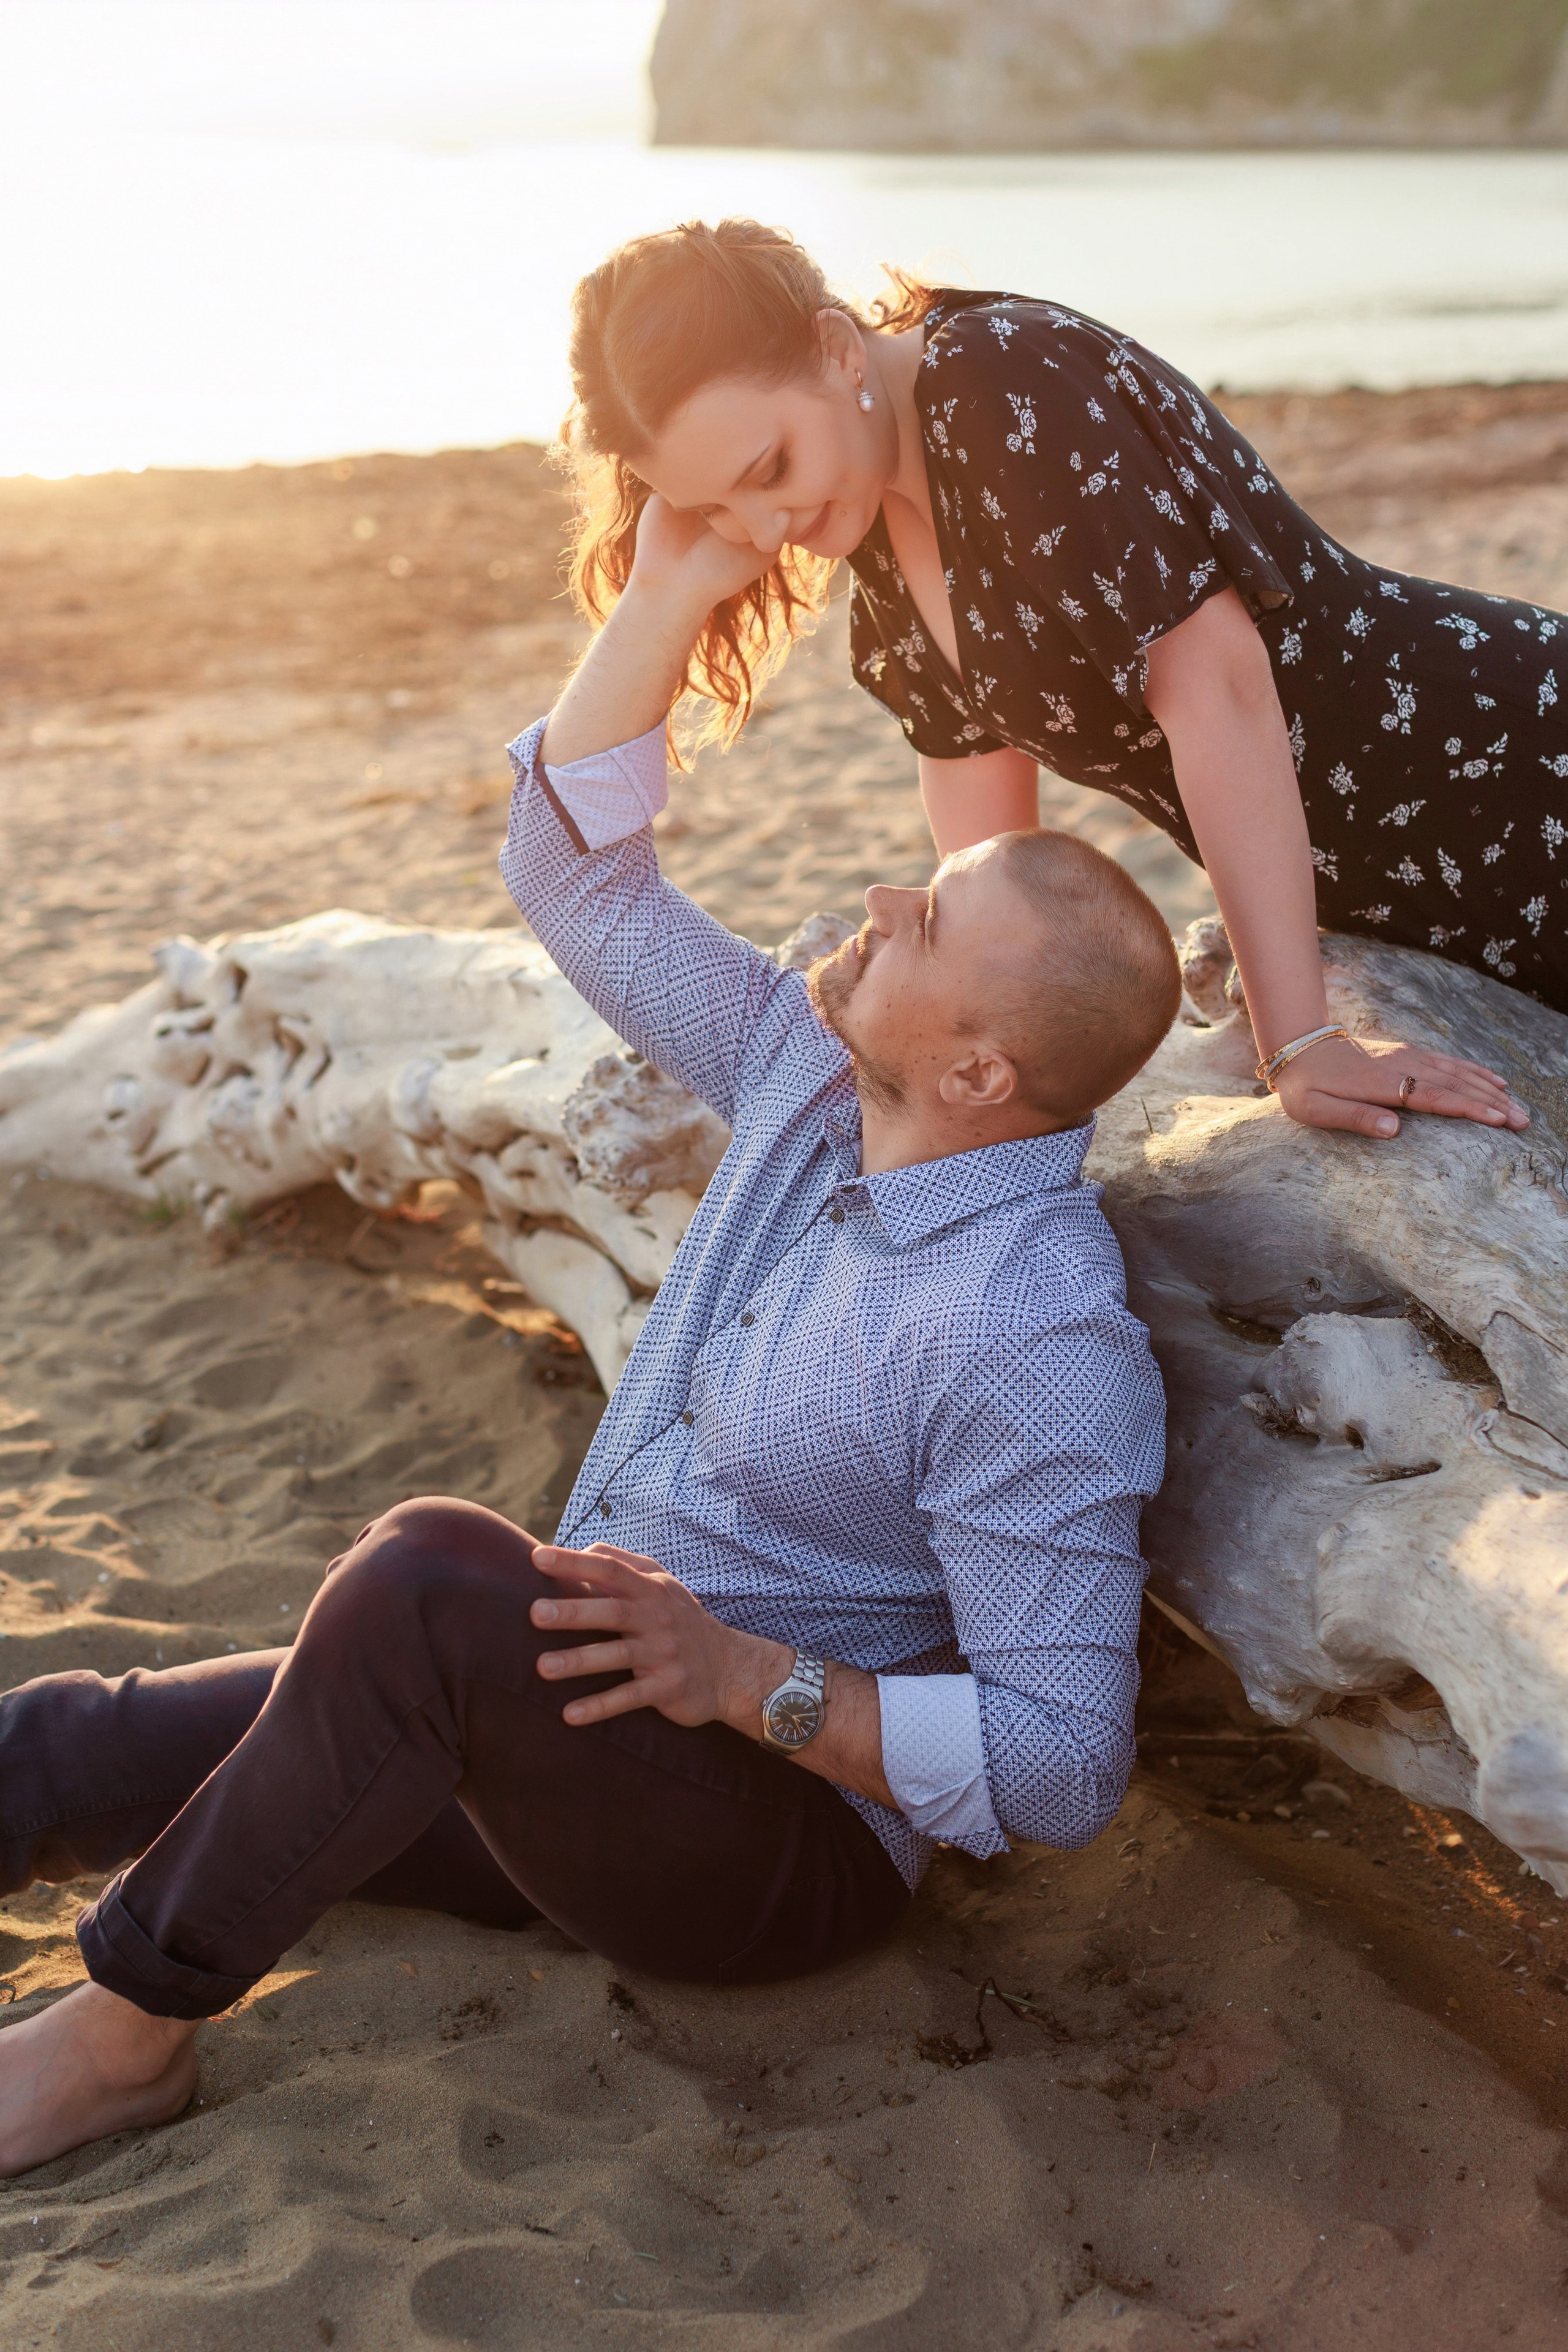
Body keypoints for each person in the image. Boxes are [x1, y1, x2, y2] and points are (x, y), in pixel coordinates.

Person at [0, 578, 1182, 2176]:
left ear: (981, 1073)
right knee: (89, 1742)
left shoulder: (1035, 1338)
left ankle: (126, 2042)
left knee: (427, 1581)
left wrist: (737, 1674)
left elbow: (1060, 1765)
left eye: (933, 919)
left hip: (769, 1849)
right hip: (579, 1718)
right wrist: (685, 569)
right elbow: (566, 865)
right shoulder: (803, 1069)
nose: (886, 897)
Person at [562, 216, 1556, 1142]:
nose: (768, 529)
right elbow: (996, 863)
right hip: (1410, 892)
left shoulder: (1002, 381)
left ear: (835, 348)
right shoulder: (865, 498)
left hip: (1513, 773)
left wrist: (1297, 1040)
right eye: (717, 505)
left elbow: (1221, 695)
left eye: (769, 466)